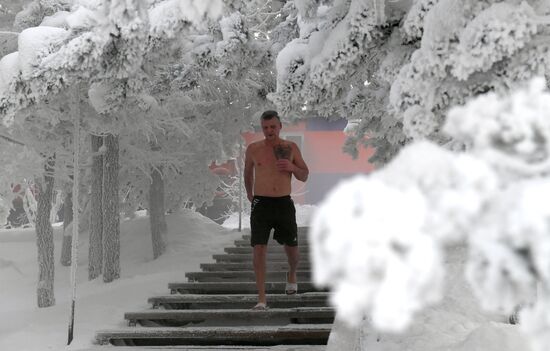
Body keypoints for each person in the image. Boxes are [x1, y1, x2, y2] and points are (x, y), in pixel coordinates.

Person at [244, 110, 309, 310]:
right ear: (262, 128)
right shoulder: (253, 149)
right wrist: (250, 195)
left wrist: (291, 166)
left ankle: (291, 272)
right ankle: (262, 299)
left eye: (273, 127)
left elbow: (304, 175)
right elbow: (248, 173)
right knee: (259, 249)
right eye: (265, 127)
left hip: (283, 203)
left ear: (280, 126)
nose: (269, 131)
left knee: (293, 252)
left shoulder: (290, 147)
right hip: (261, 204)